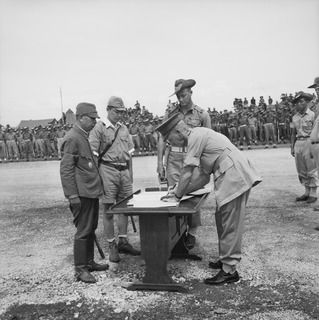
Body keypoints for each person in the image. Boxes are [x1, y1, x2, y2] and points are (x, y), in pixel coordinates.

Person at [157, 114, 261, 285]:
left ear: (178, 132)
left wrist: (177, 195)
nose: (170, 144)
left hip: (233, 173)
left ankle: (230, 270)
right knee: (222, 218)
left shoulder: (195, 137)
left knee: (230, 221)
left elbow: (188, 171)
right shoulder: (199, 135)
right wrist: (177, 190)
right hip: (229, 171)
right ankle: (226, 260)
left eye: (169, 140)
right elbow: (202, 178)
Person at [157, 79, 211, 249]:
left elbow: (208, 139)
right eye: (178, 96)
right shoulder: (170, 114)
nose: (181, 99)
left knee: (193, 197)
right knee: (174, 196)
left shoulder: (202, 114)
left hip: (193, 159)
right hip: (173, 157)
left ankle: (192, 233)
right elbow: (161, 138)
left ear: (191, 93)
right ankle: (176, 236)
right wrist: (160, 163)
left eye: (184, 95)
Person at [60, 102, 108, 284]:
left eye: (96, 118)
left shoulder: (82, 136)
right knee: (83, 231)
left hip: (90, 192)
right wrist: (72, 196)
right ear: (81, 118)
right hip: (81, 194)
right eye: (92, 118)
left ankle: (88, 262)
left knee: (91, 228)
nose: (95, 122)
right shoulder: (73, 138)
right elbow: (66, 169)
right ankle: (80, 269)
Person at [89, 96, 140, 263]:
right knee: (109, 209)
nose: (120, 115)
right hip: (108, 170)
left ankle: (123, 241)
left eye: (122, 112)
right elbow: (93, 156)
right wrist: (98, 178)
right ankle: (112, 245)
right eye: (117, 112)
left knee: (124, 208)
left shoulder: (123, 128)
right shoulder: (99, 128)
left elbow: (130, 155)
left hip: (124, 171)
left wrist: (130, 174)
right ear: (109, 110)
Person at [291, 92, 319, 203]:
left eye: (301, 102)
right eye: (296, 103)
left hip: (309, 142)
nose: (298, 104)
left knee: (311, 168)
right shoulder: (294, 117)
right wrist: (292, 147)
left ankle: (313, 193)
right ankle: (306, 191)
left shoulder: (313, 115)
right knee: (301, 168)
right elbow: (293, 133)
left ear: (306, 102)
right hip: (298, 142)